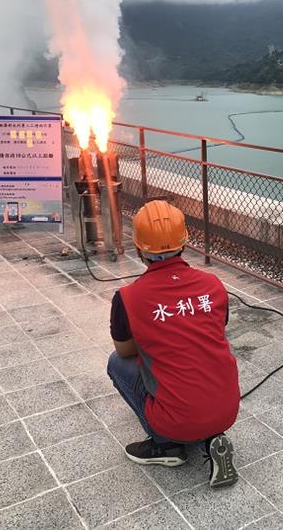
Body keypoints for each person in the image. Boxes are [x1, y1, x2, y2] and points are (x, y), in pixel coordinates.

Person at [106, 200, 240, 487]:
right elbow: (216, 331)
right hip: (228, 410)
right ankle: (212, 436)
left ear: (139, 248)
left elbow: (125, 351)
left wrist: (155, 336)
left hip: (178, 420)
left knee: (116, 364)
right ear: (184, 242)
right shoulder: (213, 285)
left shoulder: (128, 298)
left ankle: (166, 445)